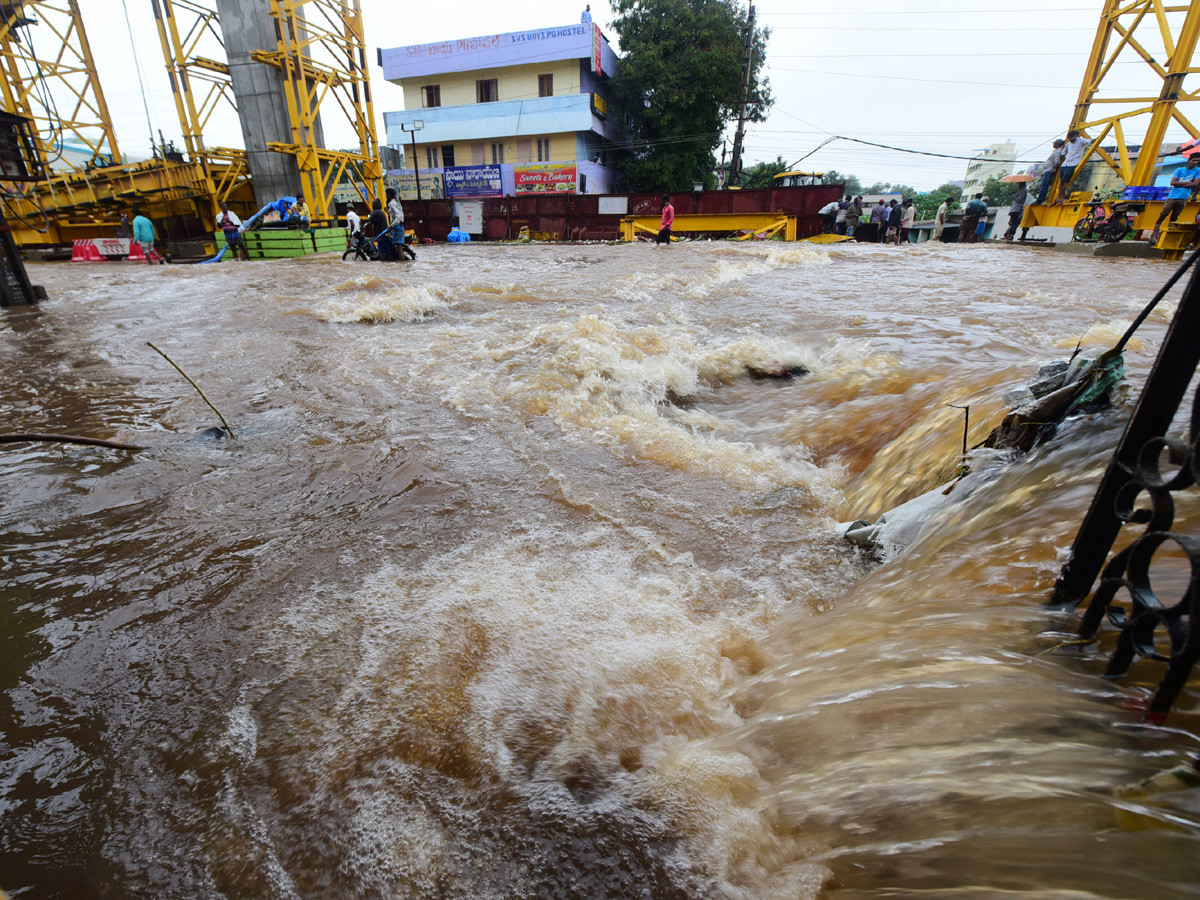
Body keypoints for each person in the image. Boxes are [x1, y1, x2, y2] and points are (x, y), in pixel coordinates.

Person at [1150, 152, 1200, 244]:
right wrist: (1189, 184)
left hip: (1184, 197)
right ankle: (1153, 235)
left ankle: (1166, 237)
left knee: (1174, 217)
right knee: (1163, 215)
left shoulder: (1198, 170)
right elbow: (1173, 183)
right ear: (1189, 160)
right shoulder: (1179, 170)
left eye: (1197, 161)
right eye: (1194, 160)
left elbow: (1196, 184)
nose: (1195, 162)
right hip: (1172, 196)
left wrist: (1180, 184)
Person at [1056, 130, 1088, 203]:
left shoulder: (1081, 141)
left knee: (1064, 182)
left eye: (1072, 137)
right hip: (1065, 164)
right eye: (1070, 138)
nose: (1071, 139)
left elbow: (1089, 141)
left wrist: (1098, 138)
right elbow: (1063, 152)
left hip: (1073, 164)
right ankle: (1058, 198)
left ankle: (1061, 198)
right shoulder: (1068, 144)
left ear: (1075, 136)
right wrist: (1067, 156)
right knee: (1061, 182)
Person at [1035, 139, 1065, 204]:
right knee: (1044, 185)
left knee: (1044, 186)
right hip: (1048, 170)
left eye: (1055, 143)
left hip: (1049, 170)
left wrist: (1054, 167)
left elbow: (1057, 162)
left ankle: (1039, 200)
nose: (1053, 145)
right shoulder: (1057, 151)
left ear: (1058, 144)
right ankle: (1040, 199)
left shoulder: (1058, 152)